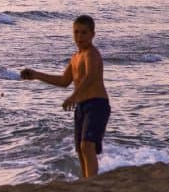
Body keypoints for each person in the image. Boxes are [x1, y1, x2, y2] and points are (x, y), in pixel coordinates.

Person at [20, 15, 110, 178]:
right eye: (76, 32)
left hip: (97, 104)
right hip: (81, 106)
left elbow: (90, 77)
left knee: (87, 145)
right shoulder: (75, 57)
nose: (79, 37)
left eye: (84, 33)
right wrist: (36, 75)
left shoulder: (91, 54)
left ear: (92, 34)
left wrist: (74, 97)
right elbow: (63, 81)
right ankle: (86, 180)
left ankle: (92, 183)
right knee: (80, 149)